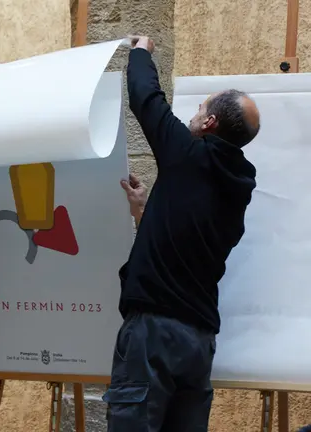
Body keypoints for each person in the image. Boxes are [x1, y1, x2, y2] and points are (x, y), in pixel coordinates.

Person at [103, 35, 261, 431]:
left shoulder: (187, 154)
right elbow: (188, 245)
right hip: (198, 343)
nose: (194, 112)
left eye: (200, 107)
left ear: (209, 123)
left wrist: (140, 51)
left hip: (153, 334)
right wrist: (145, 213)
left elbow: (146, 97)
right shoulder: (237, 189)